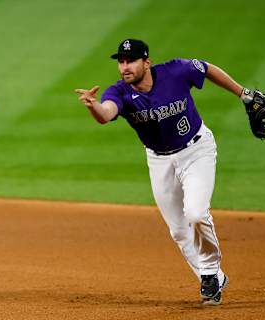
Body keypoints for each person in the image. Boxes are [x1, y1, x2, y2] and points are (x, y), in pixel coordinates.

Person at [75, 39, 249, 305]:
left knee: (196, 213)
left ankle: (210, 271)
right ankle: (212, 278)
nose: (125, 67)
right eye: (121, 61)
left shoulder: (176, 71)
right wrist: (93, 106)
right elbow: (107, 113)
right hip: (159, 161)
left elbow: (207, 68)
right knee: (178, 230)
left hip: (196, 150)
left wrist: (243, 94)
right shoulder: (119, 92)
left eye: (131, 60)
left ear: (147, 62)